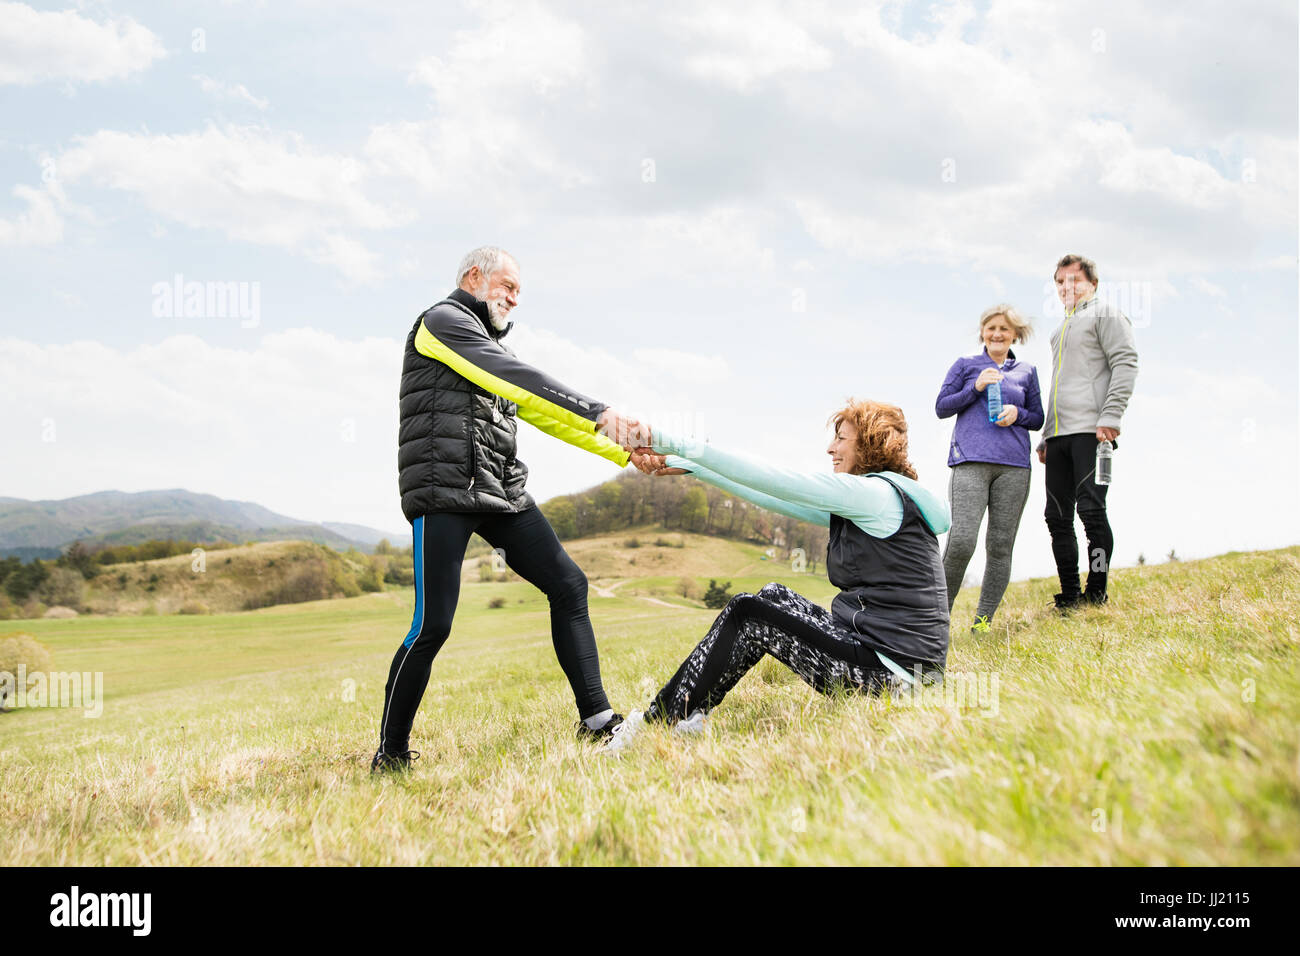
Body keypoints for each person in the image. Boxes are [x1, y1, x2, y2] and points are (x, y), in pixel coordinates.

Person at [373, 246, 651, 772]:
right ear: (473, 276)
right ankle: (389, 755)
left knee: (568, 585)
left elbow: (543, 413)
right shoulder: (442, 322)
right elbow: (519, 376)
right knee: (432, 625)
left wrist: (623, 450)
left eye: (519, 293)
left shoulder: (484, 345)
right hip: (444, 489)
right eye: (508, 286)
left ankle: (596, 720)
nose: (514, 300)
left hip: (500, 490)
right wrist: (602, 412)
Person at [602, 399, 952, 750]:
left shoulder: (874, 495)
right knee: (772, 595)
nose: (831, 447)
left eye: (842, 438)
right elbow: (771, 496)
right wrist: (691, 468)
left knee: (747, 613)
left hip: (895, 676)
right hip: (892, 661)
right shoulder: (870, 500)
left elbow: (776, 479)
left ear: (870, 443)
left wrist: (661, 438)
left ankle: (658, 724)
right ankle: (689, 713)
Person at [1036, 254, 1138, 611]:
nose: (1067, 287)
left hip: (1092, 433)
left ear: (1092, 284)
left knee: (1091, 512)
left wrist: (1111, 416)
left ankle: (1096, 592)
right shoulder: (1059, 330)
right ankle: (1069, 595)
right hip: (1059, 438)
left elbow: (1125, 362)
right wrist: (1047, 434)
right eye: (1061, 282)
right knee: (1056, 516)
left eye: (1075, 281)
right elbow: (1057, 387)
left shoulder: (1106, 314)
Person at [935, 304, 1043, 631]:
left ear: (1015, 334)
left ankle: (982, 625)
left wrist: (1018, 414)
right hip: (970, 461)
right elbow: (941, 407)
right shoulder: (966, 365)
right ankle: (936, 621)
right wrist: (975, 388)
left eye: (1004, 329)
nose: (997, 334)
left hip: (1014, 467)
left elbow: (1037, 417)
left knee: (999, 546)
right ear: (983, 331)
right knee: (962, 541)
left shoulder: (1026, 370)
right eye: (991, 328)